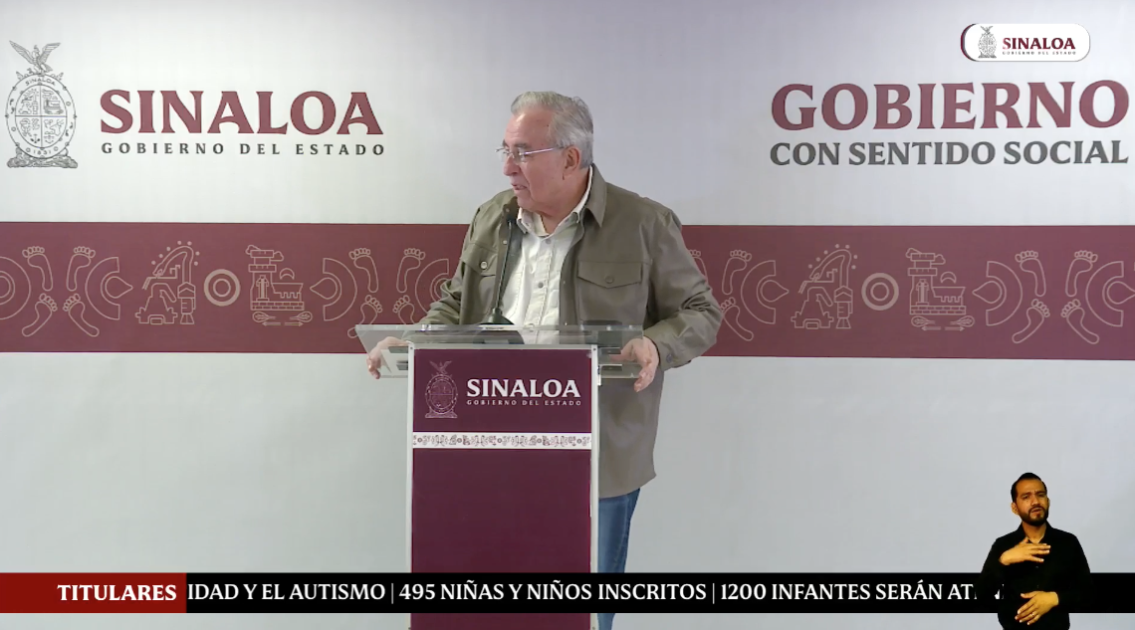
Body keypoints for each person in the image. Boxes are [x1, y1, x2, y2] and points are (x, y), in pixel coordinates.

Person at [367, 91, 722, 629]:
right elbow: (456, 304)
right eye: (505, 151)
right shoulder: (493, 217)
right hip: (490, 447)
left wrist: (656, 345)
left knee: (580, 614)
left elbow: (699, 312)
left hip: (596, 457)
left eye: (522, 153)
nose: (507, 167)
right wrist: (413, 341)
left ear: (570, 158)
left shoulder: (643, 223)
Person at [976, 473, 1092, 629]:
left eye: (1040, 495)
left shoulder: (1067, 542)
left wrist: (1055, 598)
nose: (1035, 501)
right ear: (1014, 508)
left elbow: (1087, 592)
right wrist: (1003, 561)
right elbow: (982, 595)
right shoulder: (1003, 545)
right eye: (1026, 497)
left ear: (1048, 501)